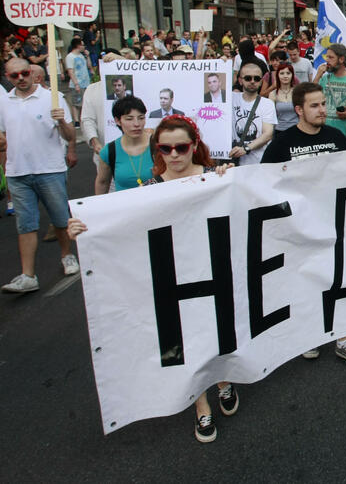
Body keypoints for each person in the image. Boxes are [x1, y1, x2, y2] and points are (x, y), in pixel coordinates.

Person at [68, 115, 239, 442]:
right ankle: (200, 405)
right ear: (157, 150)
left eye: (182, 147)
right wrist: (84, 227)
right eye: (165, 148)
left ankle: (223, 380)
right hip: (172, 276)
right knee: (184, 342)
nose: (174, 154)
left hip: (214, 270)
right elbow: (119, 225)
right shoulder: (149, 188)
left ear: (194, 146)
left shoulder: (215, 177)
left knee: (218, 332)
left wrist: (229, 177)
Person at [261, 83, 346, 364]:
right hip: (299, 228)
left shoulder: (336, 136)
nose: (322, 110)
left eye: (323, 104)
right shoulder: (282, 144)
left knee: (338, 279)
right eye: (314, 105)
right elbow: (263, 183)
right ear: (298, 110)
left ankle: (342, 338)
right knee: (305, 282)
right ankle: (309, 335)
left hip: (334, 222)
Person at [0, 58, 78, 293]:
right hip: (18, 172)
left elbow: (69, 135)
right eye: (14, 76)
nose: (21, 78)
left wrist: (62, 120)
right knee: (25, 225)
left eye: (24, 73)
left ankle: (67, 256)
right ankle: (28, 275)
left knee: (60, 219)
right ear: (8, 77)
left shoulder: (51, 98)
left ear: (33, 74)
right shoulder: (4, 101)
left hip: (49, 169)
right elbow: (2, 135)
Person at [95, 95, 153, 193]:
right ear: (117, 121)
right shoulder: (109, 151)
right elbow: (103, 182)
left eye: (141, 118)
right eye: (129, 119)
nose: (137, 124)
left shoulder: (157, 144)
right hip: (125, 206)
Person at [230, 62, 276, 165]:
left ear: (261, 82)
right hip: (232, 162)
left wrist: (246, 148)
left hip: (257, 163)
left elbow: (268, 134)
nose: (252, 81)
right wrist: (221, 62)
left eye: (256, 78)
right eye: (248, 78)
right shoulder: (230, 99)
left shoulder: (267, 104)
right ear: (240, 80)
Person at [65, 37, 90, 123]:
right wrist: (76, 84)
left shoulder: (81, 55)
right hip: (77, 83)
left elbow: (89, 66)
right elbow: (70, 71)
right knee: (76, 102)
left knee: (84, 102)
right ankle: (76, 120)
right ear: (78, 45)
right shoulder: (70, 57)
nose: (84, 47)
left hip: (85, 82)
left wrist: (87, 56)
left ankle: (82, 118)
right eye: (83, 45)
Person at [268, 63, 298, 132]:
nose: (285, 76)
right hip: (279, 130)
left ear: (292, 75)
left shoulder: (298, 92)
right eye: (282, 73)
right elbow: (270, 117)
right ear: (277, 75)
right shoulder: (273, 94)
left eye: (288, 73)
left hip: (296, 130)